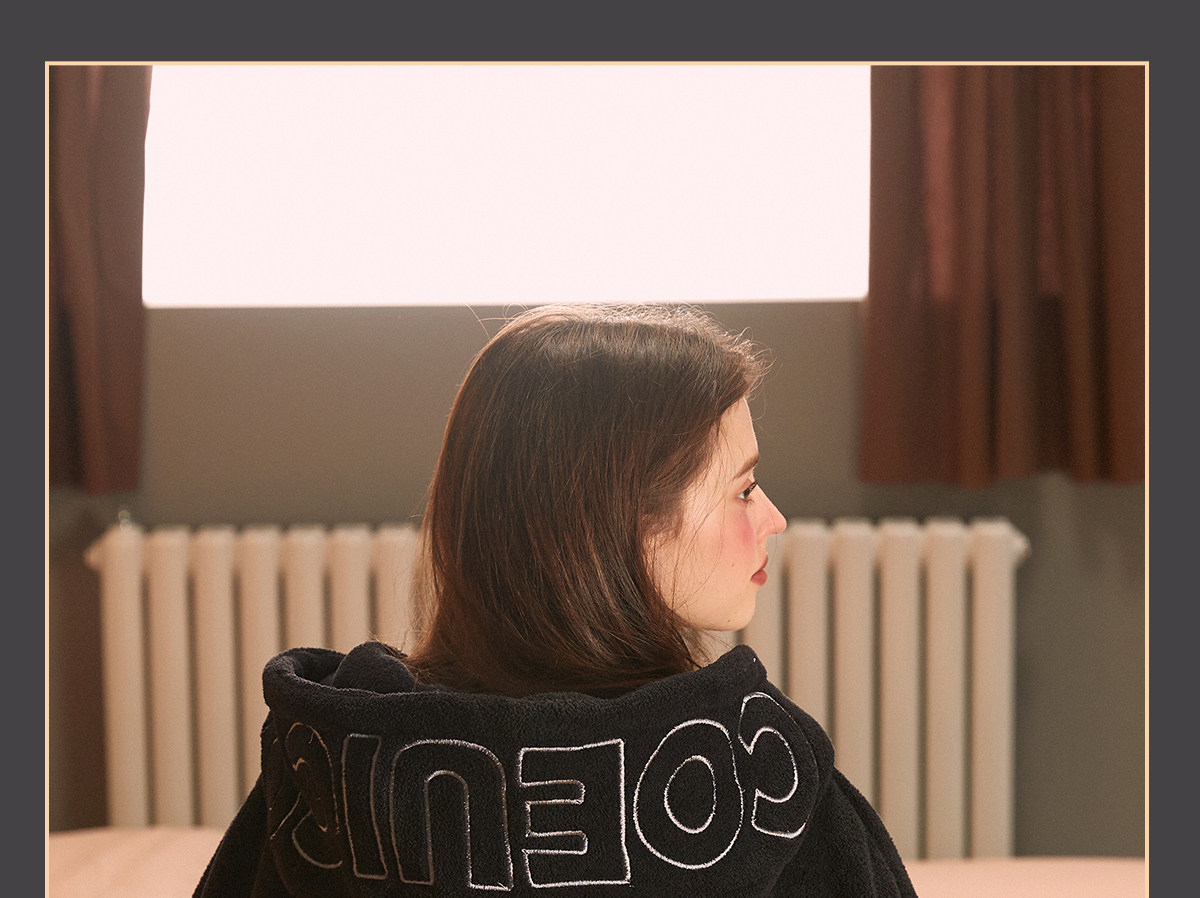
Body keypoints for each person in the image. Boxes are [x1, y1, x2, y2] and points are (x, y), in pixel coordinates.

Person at [194, 303, 917, 897]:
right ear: (622, 522)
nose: (774, 519)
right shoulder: (759, 775)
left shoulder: (328, 772)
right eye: (744, 489)